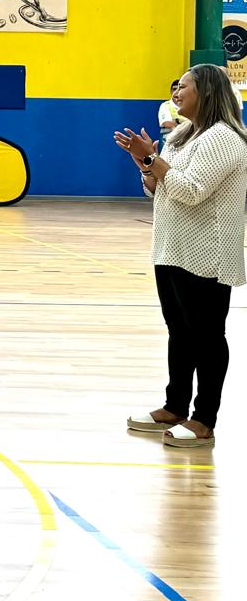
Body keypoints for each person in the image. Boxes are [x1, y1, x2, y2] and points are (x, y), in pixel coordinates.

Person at [117, 64, 247, 449]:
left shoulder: (224, 139)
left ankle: (204, 419)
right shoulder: (181, 135)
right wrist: (145, 164)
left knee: (207, 336)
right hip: (172, 248)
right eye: (175, 86)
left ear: (206, 93)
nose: (176, 92)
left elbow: (192, 191)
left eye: (184, 87)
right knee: (180, 332)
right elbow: (160, 191)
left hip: (207, 253)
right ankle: (175, 407)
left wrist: (153, 161)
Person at [157, 79, 181, 152]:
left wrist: (176, 121)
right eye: (174, 89)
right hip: (168, 140)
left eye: (179, 89)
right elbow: (166, 123)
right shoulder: (165, 106)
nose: (176, 92)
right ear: (171, 91)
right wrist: (184, 122)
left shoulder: (189, 105)